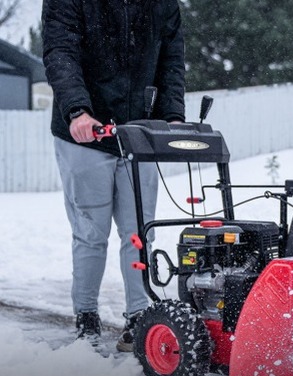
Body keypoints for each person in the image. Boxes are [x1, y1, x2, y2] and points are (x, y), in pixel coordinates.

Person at [42, 0, 186, 351]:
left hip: (140, 130)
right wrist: (77, 110)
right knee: (91, 232)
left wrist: (172, 114)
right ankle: (86, 316)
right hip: (86, 133)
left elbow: (171, 58)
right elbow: (61, 53)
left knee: (139, 229)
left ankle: (139, 316)